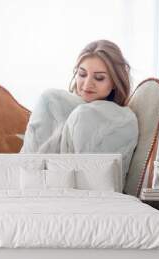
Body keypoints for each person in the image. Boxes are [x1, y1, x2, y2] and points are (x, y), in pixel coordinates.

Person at [20, 39, 139, 181]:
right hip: (36, 185)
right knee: (50, 98)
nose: (87, 84)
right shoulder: (55, 103)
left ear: (115, 81)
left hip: (86, 192)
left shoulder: (122, 119)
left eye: (99, 78)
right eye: (82, 74)